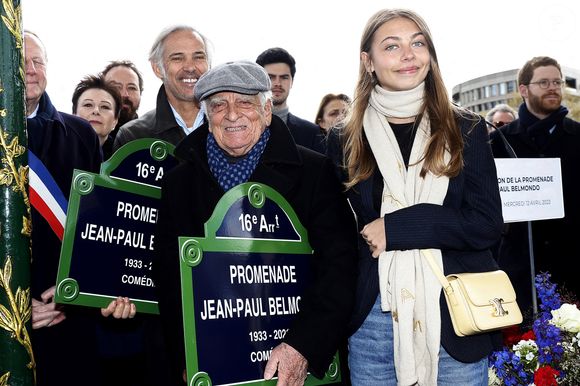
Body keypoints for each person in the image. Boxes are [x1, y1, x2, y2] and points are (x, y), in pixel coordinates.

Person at [326, 9, 504, 385]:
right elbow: (336, 237)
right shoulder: (344, 138)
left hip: (456, 316)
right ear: (368, 61)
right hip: (374, 318)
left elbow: (486, 225)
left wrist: (399, 226)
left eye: (417, 43)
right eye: (392, 46)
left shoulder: (466, 128)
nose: (408, 55)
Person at [154, 61, 357, 386]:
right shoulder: (180, 183)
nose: (232, 115)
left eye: (245, 102)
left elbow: (339, 269)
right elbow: (169, 280)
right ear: (207, 116)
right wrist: (187, 356)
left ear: (266, 111)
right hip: (213, 364)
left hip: (292, 364)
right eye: (219, 105)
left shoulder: (314, 173)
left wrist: (303, 346)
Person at [25, 31, 135, 386]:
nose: (30, 70)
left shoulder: (80, 135)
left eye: (38, 61)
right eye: (20, 60)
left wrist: (75, 292)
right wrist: (12, 304)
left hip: (68, 322)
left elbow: (97, 231)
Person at [490, 56, 580, 314]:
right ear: (523, 89)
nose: (553, 87)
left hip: (572, 270)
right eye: (544, 82)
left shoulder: (578, 137)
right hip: (517, 272)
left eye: (557, 82)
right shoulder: (498, 142)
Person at [113, 25, 210, 150]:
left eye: (198, 57)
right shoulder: (133, 137)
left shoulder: (231, 126)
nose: (190, 67)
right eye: (177, 58)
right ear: (157, 69)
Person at [256, 47, 323, 152]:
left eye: (284, 77)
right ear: (258, 81)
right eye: (270, 77)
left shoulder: (311, 133)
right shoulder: (242, 127)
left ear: (292, 81)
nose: (277, 83)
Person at [101, 60, 144, 156]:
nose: (125, 94)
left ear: (140, 93)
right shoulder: (82, 135)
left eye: (132, 88)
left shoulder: (150, 138)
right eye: (116, 87)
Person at [72, 74, 121, 158]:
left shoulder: (123, 158)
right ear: (74, 114)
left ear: (115, 121)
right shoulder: (56, 148)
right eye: (88, 105)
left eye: (105, 107)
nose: (96, 111)